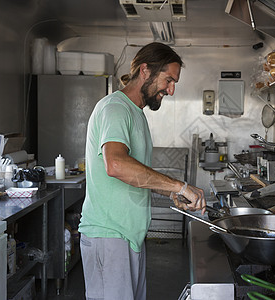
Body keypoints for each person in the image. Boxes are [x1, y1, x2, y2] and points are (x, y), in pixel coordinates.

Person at [78, 42, 206, 300]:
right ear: (145, 71)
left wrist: (171, 192)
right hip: (109, 236)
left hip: (128, 237)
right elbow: (115, 165)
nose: (170, 90)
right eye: (168, 80)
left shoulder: (136, 114)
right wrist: (179, 186)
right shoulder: (115, 108)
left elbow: (135, 174)